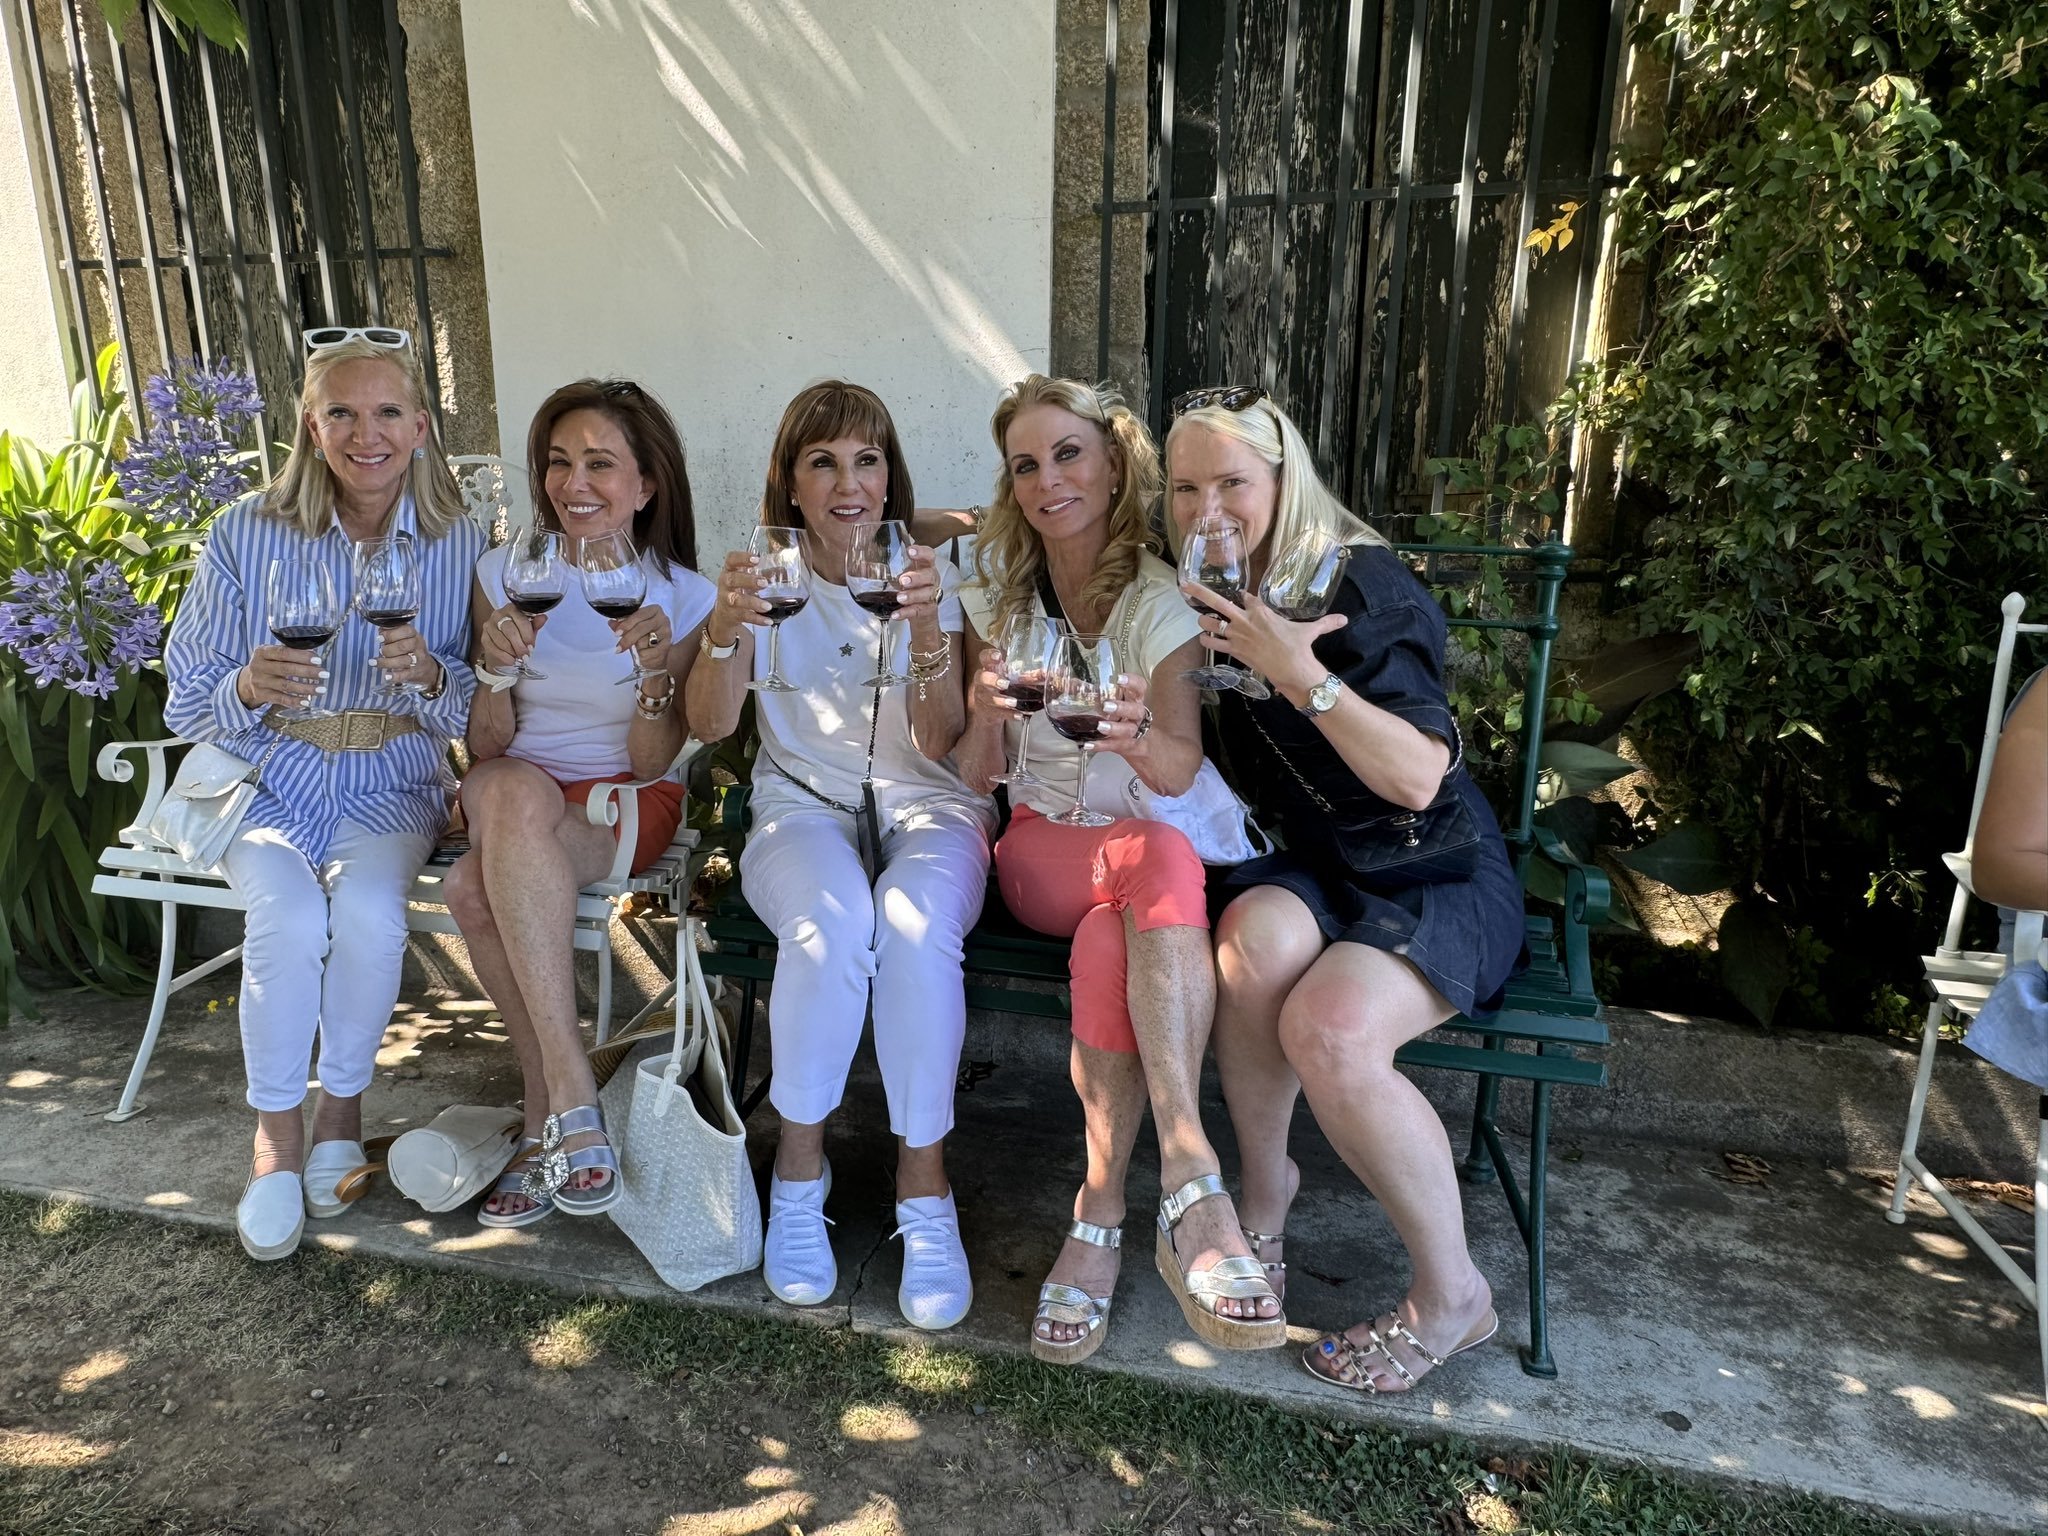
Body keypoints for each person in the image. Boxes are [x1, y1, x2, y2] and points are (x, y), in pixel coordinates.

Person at [1163, 386, 1524, 1394]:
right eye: (1183, 489)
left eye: (1231, 484)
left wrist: (1302, 676)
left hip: (1431, 862)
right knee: (1250, 946)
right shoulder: (1213, 581)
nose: (1205, 510)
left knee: (1326, 1029)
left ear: (1285, 481)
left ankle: (1454, 1296)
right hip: (1322, 860)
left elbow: (1418, 777)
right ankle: (1263, 1206)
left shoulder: (1361, 586)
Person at [953, 374, 1285, 1364]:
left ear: (1112, 465)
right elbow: (974, 775)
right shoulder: (996, 594)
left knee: (1115, 933)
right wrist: (983, 714)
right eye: (1025, 464)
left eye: (1068, 454)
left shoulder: (1156, 596)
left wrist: (1130, 733)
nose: (1047, 480)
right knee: (1158, 857)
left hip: (1130, 877)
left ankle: (1097, 1217)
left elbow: (1174, 768)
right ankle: (1192, 1177)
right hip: (1038, 854)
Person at [163, 328, 481, 1261]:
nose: (364, 434)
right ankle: (275, 1142)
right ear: (311, 426)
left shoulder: (459, 541)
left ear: (419, 427)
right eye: (341, 412)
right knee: (292, 916)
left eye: (387, 412)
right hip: (267, 777)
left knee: (373, 912)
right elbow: (186, 698)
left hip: (394, 780)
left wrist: (433, 675)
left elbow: (483, 701)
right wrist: (247, 685)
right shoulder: (245, 531)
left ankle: (341, 1110)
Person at [684, 380, 991, 1330]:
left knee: (916, 929)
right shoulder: (761, 580)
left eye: (867, 461)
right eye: (823, 462)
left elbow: (941, 741)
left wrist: (929, 625)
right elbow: (710, 723)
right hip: (800, 807)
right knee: (829, 925)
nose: (848, 483)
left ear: (890, 477)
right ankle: (798, 1174)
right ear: (790, 481)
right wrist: (723, 628)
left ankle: (924, 1191)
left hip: (931, 805)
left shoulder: (933, 577)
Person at [444, 379, 712, 1226]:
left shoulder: (685, 597)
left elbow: (650, 760)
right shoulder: (504, 573)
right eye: (559, 463)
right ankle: (572, 1095)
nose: (574, 483)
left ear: (646, 485)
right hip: (510, 789)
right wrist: (494, 671)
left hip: (619, 800)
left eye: (600, 463)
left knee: (468, 888)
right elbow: (488, 748)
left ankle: (543, 1120)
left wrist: (655, 675)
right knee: (511, 789)